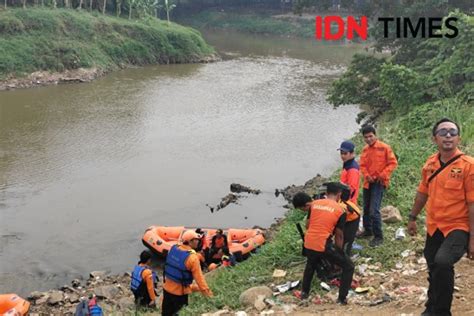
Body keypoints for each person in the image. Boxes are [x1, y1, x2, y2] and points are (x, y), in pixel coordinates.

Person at [407, 118, 474, 316]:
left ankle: (442, 312)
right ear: (434, 138)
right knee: (433, 265)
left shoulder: (468, 166)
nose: (448, 136)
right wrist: (412, 217)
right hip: (434, 226)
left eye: (452, 132)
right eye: (443, 132)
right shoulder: (430, 164)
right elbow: (422, 193)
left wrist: (473, 239)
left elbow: (473, 203)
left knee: (443, 262)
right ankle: (432, 307)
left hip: (458, 226)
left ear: (458, 138)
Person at [292, 182, 354, 304]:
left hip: (309, 242)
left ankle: (304, 294)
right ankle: (342, 299)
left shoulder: (314, 204)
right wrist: (339, 254)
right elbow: (339, 235)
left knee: (310, 265)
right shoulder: (341, 210)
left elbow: (308, 225)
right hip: (323, 243)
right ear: (339, 195)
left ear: (326, 194)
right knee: (349, 266)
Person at [359, 125, 398, 247]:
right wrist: (367, 175)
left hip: (379, 182)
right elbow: (362, 165)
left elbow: (393, 163)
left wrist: (383, 174)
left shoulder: (384, 148)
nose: (369, 139)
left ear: (375, 135)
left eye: (371, 136)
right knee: (366, 207)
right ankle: (368, 230)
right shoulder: (365, 150)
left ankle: (378, 236)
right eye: (366, 137)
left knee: (374, 210)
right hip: (368, 182)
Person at [162, 230, 213, 316]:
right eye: (196, 239)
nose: (198, 241)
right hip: (179, 294)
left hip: (166, 290)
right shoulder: (192, 258)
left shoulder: (173, 249)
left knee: (166, 314)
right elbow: (199, 279)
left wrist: (194, 288)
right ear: (190, 241)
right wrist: (209, 295)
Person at [339, 184, 361, 256]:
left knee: (348, 238)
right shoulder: (343, 202)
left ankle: (347, 254)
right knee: (344, 236)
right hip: (352, 217)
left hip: (353, 219)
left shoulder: (341, 205)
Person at [338, 140, 360, 204]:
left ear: (352, 153)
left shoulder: (352, 169)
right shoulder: (347, 164)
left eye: (345, 153)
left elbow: (351, 189)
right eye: (341, 153)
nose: (342, 156)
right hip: (344, 201)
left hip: (348, 203)